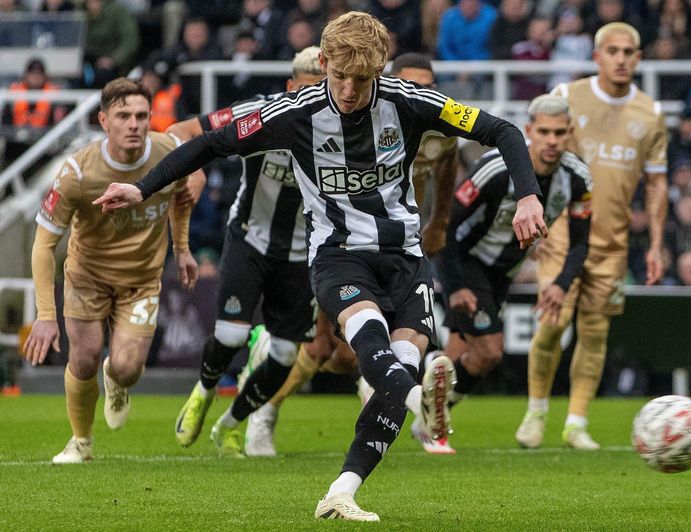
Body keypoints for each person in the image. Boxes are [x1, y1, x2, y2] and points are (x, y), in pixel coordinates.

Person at [93, 12, 547, 521]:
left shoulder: (411, 102)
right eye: (340, 77)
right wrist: (142, 187)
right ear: (324, 63)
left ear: (379, 71)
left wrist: (529, 197)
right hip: (338, 256)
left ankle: (342, 490)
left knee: (395, 372)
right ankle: (421, 399)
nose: (349, 90)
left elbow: (502, 130)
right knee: (373, 346)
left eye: (362, 79)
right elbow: (210, 142)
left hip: (405, 258)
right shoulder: (294, 111)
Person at [243, 52, 462, 457]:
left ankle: (400, 411)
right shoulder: (374, 119)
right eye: (413, 82)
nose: (421, 91)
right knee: (321, 348)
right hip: (343, 245)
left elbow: (447, 165)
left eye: (428, 84)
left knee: (351, 356)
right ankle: (264, 412)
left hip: (399, 249)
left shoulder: (437, 124)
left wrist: (439, 222)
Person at [23, 78, 199, 464]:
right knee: (82, 360)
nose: (134, 124)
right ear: (104, 121)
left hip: (141, 282)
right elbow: (43, 244)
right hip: (86, 277)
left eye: (141, 115)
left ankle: (117, 381)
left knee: (127, 367)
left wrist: (182, 249)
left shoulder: (169, 153)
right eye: (123, 116)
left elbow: (181, 198)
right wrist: (45, 315)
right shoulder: (77, 172)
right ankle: (80, 442)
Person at [162, 47, 325, 458]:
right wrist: (194, 168)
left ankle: (230, 423)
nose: (311, 101)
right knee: (231, 334)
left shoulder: (345, 130)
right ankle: (203, 391)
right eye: (304, 90)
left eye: (321, 91)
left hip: (304, 253)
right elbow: (182, 130)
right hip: (251, 237)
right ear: (290, 87)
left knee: (287, 354)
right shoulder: (257, 112)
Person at [516, 22, 668, 451]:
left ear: (639, 58)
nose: (621, 59)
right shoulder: (567, 97)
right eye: (613, 51)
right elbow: (538, 157)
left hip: (613, 243)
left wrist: (655, 244)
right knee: (553, 323)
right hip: (565, 232)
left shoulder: (650, 114)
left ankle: (577, 422)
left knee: (596, 333)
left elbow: (657, 183)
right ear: (597, 55)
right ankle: (536, 411)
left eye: (629, 52)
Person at [428, 94, 592, 454]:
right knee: (489, 351)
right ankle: (427, 417)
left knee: (460, 355)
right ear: (529, 131)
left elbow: (581, 243)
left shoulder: (578, 178)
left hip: (505, 271)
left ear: (570, 133)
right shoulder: (493, 169)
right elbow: (444, 227)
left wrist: (561, 285)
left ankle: (425, 412)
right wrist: (454, 285)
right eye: (544, 132)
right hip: (467, 261)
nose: (552, 141)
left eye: (559, 133)